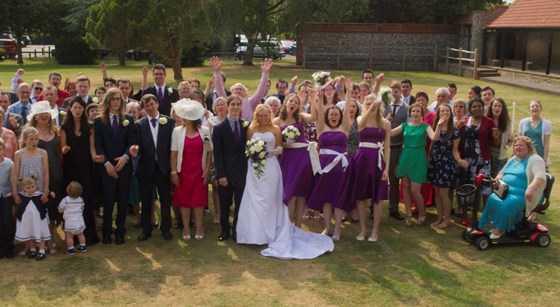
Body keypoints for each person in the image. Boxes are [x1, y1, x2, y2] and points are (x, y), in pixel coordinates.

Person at [236, 104, 334, 259]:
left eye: (266, 115)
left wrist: (270, 152)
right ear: (256, 116)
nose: (263, 118)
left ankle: (270, 232)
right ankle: (253, 234)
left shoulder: (275, 129)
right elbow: (247, 148)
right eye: (260, 116)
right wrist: (255, 153)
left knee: (270, 199)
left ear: (270, 115)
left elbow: (281, 148)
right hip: (254, 167)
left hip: (271, 167)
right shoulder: (251, 130)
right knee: (253, 198)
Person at [308, 80, 353, 241]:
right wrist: (319, 99)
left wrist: (348, 93)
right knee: (327, 198)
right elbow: (319, 112)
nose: (334, 115)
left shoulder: (344, 128)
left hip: (341, 167)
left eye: (336, 114)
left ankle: (337, 230)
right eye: (331, 114)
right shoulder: (321, 128)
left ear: (340, 116)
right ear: (327, 116)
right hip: (325, 166)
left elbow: (347, 111)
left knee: (338, 198)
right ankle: (327, 228)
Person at [479, 136, 546, 239]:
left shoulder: (535, 160)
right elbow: (501, 173)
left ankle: (500, 230)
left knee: (509, 204)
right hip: (506, 191)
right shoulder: (513, 159)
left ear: (529, 147)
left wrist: (530, 189)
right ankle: (496, 224)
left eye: (521, 145)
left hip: (525, 193)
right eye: (516, 145)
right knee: (492, 198)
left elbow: (540, 177)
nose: (518, 147)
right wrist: (498, 179)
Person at [94, 88, 137, 245]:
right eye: (113, 99)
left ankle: (120, 231)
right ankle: (106, 232)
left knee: (123, 201)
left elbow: (132, 143)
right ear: (107, 101)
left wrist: (126, 157)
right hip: (107, 168)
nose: (116, 102)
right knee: (108, 201)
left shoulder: (128, 120)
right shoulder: (99, 121)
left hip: (123, 167)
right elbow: (98, 145)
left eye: (118, 99)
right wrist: (106, 163)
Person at [391, 102, 443, 226]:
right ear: (410, 113)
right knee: (404, 186)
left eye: (418, 111)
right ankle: (408, 214)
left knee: (415, 190)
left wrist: (439, 127)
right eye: (413, 111)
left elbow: (434, 138)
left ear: (421, 114)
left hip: (419, 157)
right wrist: (385, 121)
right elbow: (391, 132)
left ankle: (422, 212)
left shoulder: (425, 127)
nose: (415, 113)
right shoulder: (405, 125)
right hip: (405, 156)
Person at [132, 94, 175, 241]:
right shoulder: (139, 124)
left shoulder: (169, 122)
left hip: (163, 167)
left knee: (165, 199)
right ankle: (146, 228)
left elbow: (172, 145)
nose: (150, 108)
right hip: (146, 167)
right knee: (146, 199)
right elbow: (136, 144)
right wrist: (135, 149)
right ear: (143, 108)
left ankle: (166, 228)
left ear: (157, 104)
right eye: (146, 106)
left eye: (152, 104)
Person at [272, 93, 318, 227]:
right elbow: (274, 141)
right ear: (286, 102)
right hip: (288, 157)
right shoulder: (277, 121)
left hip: (303, 155)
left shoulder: (301, 117)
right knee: (290, 191)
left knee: (301, 191)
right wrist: (284, 144)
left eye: (296, 103)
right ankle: (287, 224)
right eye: (291, 101)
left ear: (298, 106)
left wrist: (313, 100)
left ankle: (297, 225)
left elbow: (314, 117)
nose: (293, 104)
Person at [60, 97, 101, 245]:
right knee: (72, 199)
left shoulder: (89, 126)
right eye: (75, 107)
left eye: (80, 108)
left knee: (86, 199)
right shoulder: (64, 127)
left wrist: (95, 157)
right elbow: (62, 147)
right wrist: (64, 149)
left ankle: (89, 234)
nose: (78, 110)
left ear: (83, 110)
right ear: (70, 109)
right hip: (70, 167)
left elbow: (92, 148)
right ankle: (73, 235)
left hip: (85, 167)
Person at [171, 99, 212, 241]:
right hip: (183, 171)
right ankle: (186, 227)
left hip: (199, 171)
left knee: (199, 200)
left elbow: (209, 151)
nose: (182, 117)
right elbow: (174, 153)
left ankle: (200, 226)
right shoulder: (177, 131)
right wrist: (173, 172)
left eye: (185, 116)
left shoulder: (205, 131)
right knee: (184, 200)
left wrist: (207, 169)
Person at [351, 94, 390, 242]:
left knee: (377, 197)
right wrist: (370, 108)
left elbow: (387, 148)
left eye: (374, 103)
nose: (371, 105)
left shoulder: (385, 123)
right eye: (368, 103)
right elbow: (360, 126)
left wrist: (386, 168)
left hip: (378, 160)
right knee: (360, 197)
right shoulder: (361, 119)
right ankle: (362, 229)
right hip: (362, 159)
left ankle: (375, 230)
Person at [457, 98, 499, 224]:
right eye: (474, 106)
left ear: (483, 107)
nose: (476, 108)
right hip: (467, 160)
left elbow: (495, 142)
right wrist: (459, 128)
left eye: (479, 106)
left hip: (482, 160)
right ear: (470, 109)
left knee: (484, 189)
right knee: (466, 187)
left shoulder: (489, 122)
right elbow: (459, 137)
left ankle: (483, 215)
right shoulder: (465, 120)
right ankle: (465, 216)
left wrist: (497, 137)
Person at [27, 101, 62, 253]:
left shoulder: (56, 130)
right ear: (35, 116)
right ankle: (36, 239)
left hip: (55, 173)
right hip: (36, 175)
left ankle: (50, 236)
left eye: (47, 112)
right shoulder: (30, 133)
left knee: (52, 208)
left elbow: (59, 153)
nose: (44, 115)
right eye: (41, 113)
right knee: (37, 207)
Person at [212, 95, 248, 242]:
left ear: (241, 107)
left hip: (242, 172)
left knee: (240, 202)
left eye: (238, 104)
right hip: (225, 172)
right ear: (227, 106)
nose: (235, 107)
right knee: (225, 203)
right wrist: (221, 175)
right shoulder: (219, 128)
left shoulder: (246, 125)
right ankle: (225, 230)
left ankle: (237, 230)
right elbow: (218, 154)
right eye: (232, 104)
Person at [12, 127, 50, 260]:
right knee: (27, 218)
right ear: (25, 140)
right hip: (24, 193)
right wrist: (15, 193)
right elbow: (15, 173)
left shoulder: (42, 153)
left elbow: (46, 172)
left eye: (37, 139)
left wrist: (45, 190)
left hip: (38, 192)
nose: (35, 141)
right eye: (31, 139)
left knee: (40, 217)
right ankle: (31, 247)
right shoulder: (19, 154)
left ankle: (42, 245)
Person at [427, 105, 466, 228]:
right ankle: (439, 217)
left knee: (444, 193)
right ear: (438, 113)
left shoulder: (455, 131)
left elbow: (455, 150)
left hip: (446, 163)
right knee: (437, 192)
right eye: (442, 111)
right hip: (435, 161)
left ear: (450, 113)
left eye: (447, 111)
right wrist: (438, 126)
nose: (445, 113)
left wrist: (459, 160)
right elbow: (434, 139)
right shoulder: (435, 127)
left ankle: (447, 219)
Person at [211, 56, 272, 122]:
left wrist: (265, 73)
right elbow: (219, 89)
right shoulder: (228, 101)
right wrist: (217, 72)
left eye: (240, 89)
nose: (238, 91)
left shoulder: (250, 102)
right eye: (236, 89)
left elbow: (260, 91)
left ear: (245, 92)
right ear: (231, 93)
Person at [384, 81, 409, 221]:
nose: (394, 94)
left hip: (396, 147)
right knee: (379, 178)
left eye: (396, 91)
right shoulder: (383, 106)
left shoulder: (407, 108)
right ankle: (373, 208)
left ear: (400, 92)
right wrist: (385, 119)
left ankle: (393, 208)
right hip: (381, 147)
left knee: (394, 179)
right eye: (392, 91)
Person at [14, 176, 50, 261]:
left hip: (38, 220)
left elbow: (46, 204)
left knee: (40, 234)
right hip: (27, 220)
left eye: (32, 187)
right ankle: (33, 250)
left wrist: (51, 194)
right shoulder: (21, 196)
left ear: (36, 185)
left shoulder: (40, 195)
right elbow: (18, 205)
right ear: (23, 188)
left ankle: (42, 251)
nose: (31, 189)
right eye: (28, 188)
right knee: (30, 234)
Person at [518, 100, 551, 170]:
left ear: (541, 109)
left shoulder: (547, 124)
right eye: (532, 106)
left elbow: (546, 143)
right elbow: (519, 140)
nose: (535, 108)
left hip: (539, 155)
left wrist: (544, 160)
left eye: (537, 106)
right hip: (525, 155)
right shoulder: (523, 122)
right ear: (529, 109)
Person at [58, 181, 87, 255]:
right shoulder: (81, 199)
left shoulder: (65, 200)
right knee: (81, 234)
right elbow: (82, 208)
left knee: (69, 236)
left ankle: (71, 249)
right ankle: (83, 246)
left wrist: (60, 210)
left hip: (70, 222)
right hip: (80, 221)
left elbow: (60, 209)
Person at [487, 98, 513, 178]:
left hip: (500, 157)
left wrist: (511, 139)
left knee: (498, 182)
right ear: (491, 107)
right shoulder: (486, 121)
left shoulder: (506, 123)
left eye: (499, 106)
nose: (497, 108)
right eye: (495, 106)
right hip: (488, 156)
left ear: (503, 109)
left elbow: (509, 142)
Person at [0, 139, 15, 259]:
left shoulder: (9, 163)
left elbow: (13, 180)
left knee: (8, 222)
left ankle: (9, 247)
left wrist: (13, 193)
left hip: (6, 196)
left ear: (4, 150)